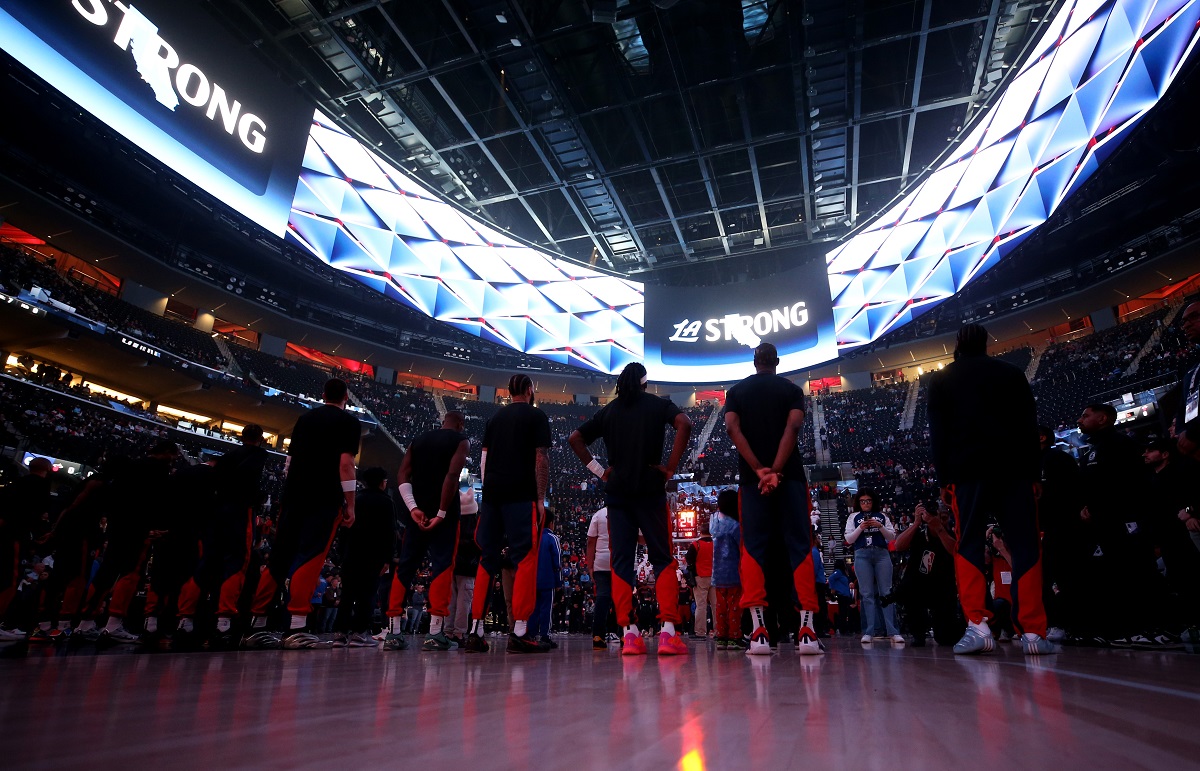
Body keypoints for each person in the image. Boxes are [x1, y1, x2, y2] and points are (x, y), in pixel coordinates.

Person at [927, 323, 1054, 655]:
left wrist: (944, 480)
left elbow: (938, 435)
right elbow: (1029, 426)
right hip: (1014, 471)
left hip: (968, 473)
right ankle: (1033, 634)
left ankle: (979, 626)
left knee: (968, 544)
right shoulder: (1011, 373)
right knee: (1026, 546)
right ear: (987, 343)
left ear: (957, 343)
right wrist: (1035, 474)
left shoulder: (942, 379)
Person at [569, 361, 692, 656]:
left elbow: (575, 438)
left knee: (621, 562)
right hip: (650, 489)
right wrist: (670, 468)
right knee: (662, 558)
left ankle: (630, 635)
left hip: (618, 494)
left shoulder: (608, 411)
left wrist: (601, 472)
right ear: (645, 383)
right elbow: (685, 424)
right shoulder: (657, 404)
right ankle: (668, 633)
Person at [244, 378, 361, 650]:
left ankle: (256, 625)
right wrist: (350, 504)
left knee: (279, 557)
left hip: (294, 495)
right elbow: (345, 465)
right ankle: (297, 627)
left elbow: (290, 463)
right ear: (346, 397)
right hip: (324, 497)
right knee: (311, 557)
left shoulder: (305, 418)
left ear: (322, 395)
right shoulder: (349, 423)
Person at [724, 343, 822, 655]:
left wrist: (759, 470)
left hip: (753, 483)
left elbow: (731, 428)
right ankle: (807, 630)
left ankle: (758, 633)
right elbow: (793, 427)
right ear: (777, 362)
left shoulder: (737, 392)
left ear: (754, 362)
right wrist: (777, 470)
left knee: (752, 550)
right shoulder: (791, 390)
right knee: (800, 547)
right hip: (790, 478)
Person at [467, 375, 552, 654]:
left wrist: (487, 493)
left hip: (492, 492)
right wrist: (540, 498)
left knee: (486, 558)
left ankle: (475, 630)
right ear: (529, 390)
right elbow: (541, 457)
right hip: (520, 493)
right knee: (525, 557)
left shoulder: (494, 419)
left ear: (507, 391)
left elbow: (483, 459)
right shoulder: (536, 416)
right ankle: (520, 631)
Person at [1075, 402, 1164, 647]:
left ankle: (1153, 628)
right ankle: (1125, 628)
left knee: (1137, 572)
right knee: (1115, 576)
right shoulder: (1093, 449)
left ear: (1103, 418)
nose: (1079, 420)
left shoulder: (1121, 444)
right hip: (1104, 524)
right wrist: (1087, 506)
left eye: (1085, 415)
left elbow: (1128, 485)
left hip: (1126, 521)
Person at [176, 424, 267, 647]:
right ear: (261, 439)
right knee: (236, 563)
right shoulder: (257, 454)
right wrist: (255, 498)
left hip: (216, 512)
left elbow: (214, 479)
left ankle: (185, 619)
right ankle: (224, 622)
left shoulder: (227, 456)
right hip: (239, 510)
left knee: (205, 563)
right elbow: (248, 476)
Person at [388, 411, 470, 651]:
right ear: (460, 424)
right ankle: (435, 633)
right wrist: (442, 512)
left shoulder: (419, 439)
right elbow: (452, 476)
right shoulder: (460, 440)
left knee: (405, 567)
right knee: (443, 568)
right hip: (443, 515)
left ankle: (393, 633)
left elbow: (402, 473)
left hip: (417, 513)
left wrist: (413, 508)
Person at [334, 466, 396, 647]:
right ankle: (360, 633)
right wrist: (387, 558)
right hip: (374, 556)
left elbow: (344, 527)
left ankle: (340, 634)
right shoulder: (386, 502)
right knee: (367, 595)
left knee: (347, 595)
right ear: (382, 482)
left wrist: (342, 552)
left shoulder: (356, 500)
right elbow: (390, 532)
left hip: (351, 554)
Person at [889, 501, 963, 647]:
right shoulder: (920, 533)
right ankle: (918, 632)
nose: (939, 521)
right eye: (936, 517)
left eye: (944, 517)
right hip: (920, 586)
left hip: (943, 588)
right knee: (908, 588)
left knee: (945, 639)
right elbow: (898, 545)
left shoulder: (952, 534)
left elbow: (955, 551)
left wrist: (939, 528)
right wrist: (916, 523)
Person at [0, 457, 52, 640]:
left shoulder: (18, 483)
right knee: (10, 579)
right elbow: (34, 513)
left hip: (7, 532)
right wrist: (39, 533)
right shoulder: (40, 485)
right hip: (14, 534)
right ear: (47, 468)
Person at [844, 490, 903, 645]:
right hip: (861, 554)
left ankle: (893, 631)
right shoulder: (853, 517)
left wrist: (880, 526)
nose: (866, 504)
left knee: (886, 592)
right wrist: (861, 527)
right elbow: (849, 539)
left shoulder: (882, 516)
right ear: (859, 503)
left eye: (868, 500)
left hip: (881, 553)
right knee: (866, 594)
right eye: (863, 501)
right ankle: (869, 631)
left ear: (873, 501)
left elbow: (891, 537)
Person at [710, 489, 743, 650]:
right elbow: (741, 547)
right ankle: (734, 637)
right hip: (734, 572)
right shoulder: (735, 525)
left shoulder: (715, 523)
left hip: (717, 573)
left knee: (720, 607)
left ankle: (721, 636)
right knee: (734, 606)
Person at [447, 489, 480, 647]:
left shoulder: (453, 523)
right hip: (468, 568)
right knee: (463, 601)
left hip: (452, 565)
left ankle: (447, 631)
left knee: (451, 600)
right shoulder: (475, 527)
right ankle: (459, 633)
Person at [530, 508, 561, 646]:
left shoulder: (532, 537)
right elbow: (557, 562)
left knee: (533, 608)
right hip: (548, 580)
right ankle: (544, 636)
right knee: (546, 608)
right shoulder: (552, 538)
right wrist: (558, 581)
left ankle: (530, 634)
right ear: (550, 523)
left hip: (532, 579)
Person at [586, 505, 613, 650]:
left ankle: (598, 636)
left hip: (601, 561)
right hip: (622, 560)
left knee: (602, 597)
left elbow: (591, 541)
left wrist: (590, 565)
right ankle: (625, 635)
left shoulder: (598, 514)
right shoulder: (629, 510)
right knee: (623, 597)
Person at [685, 520, 714, 640]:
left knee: (701, 605)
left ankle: (701, 632)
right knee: (716, 605)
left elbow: (689, 559)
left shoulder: (696, 545)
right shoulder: (716, 544)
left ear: (700, 532)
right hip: (714, 577)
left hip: (700, 577)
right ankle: (719, 631)